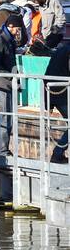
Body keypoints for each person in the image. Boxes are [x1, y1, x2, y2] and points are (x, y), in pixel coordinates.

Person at [0, 11, 22, 155]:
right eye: (18, 29)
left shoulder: (8, 38)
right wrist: (11, 77)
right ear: (11, 26)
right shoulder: (0, 39)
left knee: (9, 116)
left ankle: (4, 149)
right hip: (2, 82)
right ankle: (2, 150)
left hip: (8, 82)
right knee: (5, 115)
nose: (18, 32)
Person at [45, 35, 69, 163]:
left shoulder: (60, 50)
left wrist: (47, 105)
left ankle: (58, 153)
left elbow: (47, 73)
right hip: (62, 93)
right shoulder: (67, 52)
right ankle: (57, 153)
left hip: (53, 92)